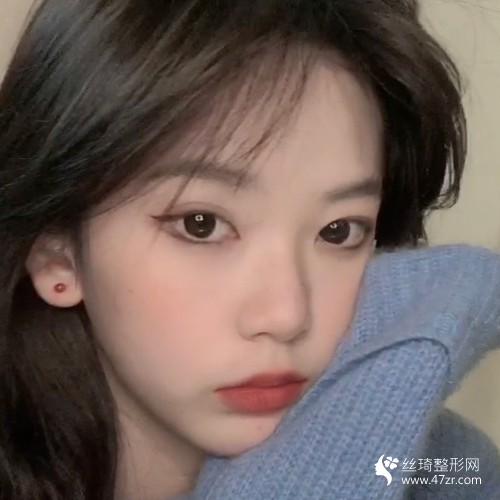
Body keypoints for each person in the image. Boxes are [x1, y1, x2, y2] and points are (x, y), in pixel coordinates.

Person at [0, 0, 478, 498]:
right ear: (56, 254)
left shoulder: (441, 471)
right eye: (201, 224)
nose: (287, 316)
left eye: (339, 231)